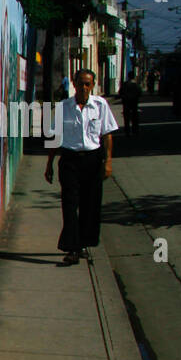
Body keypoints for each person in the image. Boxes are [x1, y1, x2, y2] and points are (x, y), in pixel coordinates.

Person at [44, 68, 117, 265]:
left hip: (92, 160)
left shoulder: (100, 106)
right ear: (74, 84)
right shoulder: (64, 107)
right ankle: (72, 248)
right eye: (81, 83)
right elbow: (54, 137)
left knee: (90, 204)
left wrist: (108, 162)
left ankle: (84, 242)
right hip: (69, 161)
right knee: (69, 204)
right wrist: (49, 164)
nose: (84, 87)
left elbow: (107, 135)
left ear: (92, 86)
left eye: (88, 84)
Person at [120, 74, 141, 140]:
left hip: (126, 103)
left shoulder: (125, 84)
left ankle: (127, 131)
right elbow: (140, 93)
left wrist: (124, 97)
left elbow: (120, 92)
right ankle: (135, 131)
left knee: (126, 118)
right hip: (134, 103)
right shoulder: (136, 85)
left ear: (128, 77)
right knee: (134, 117)